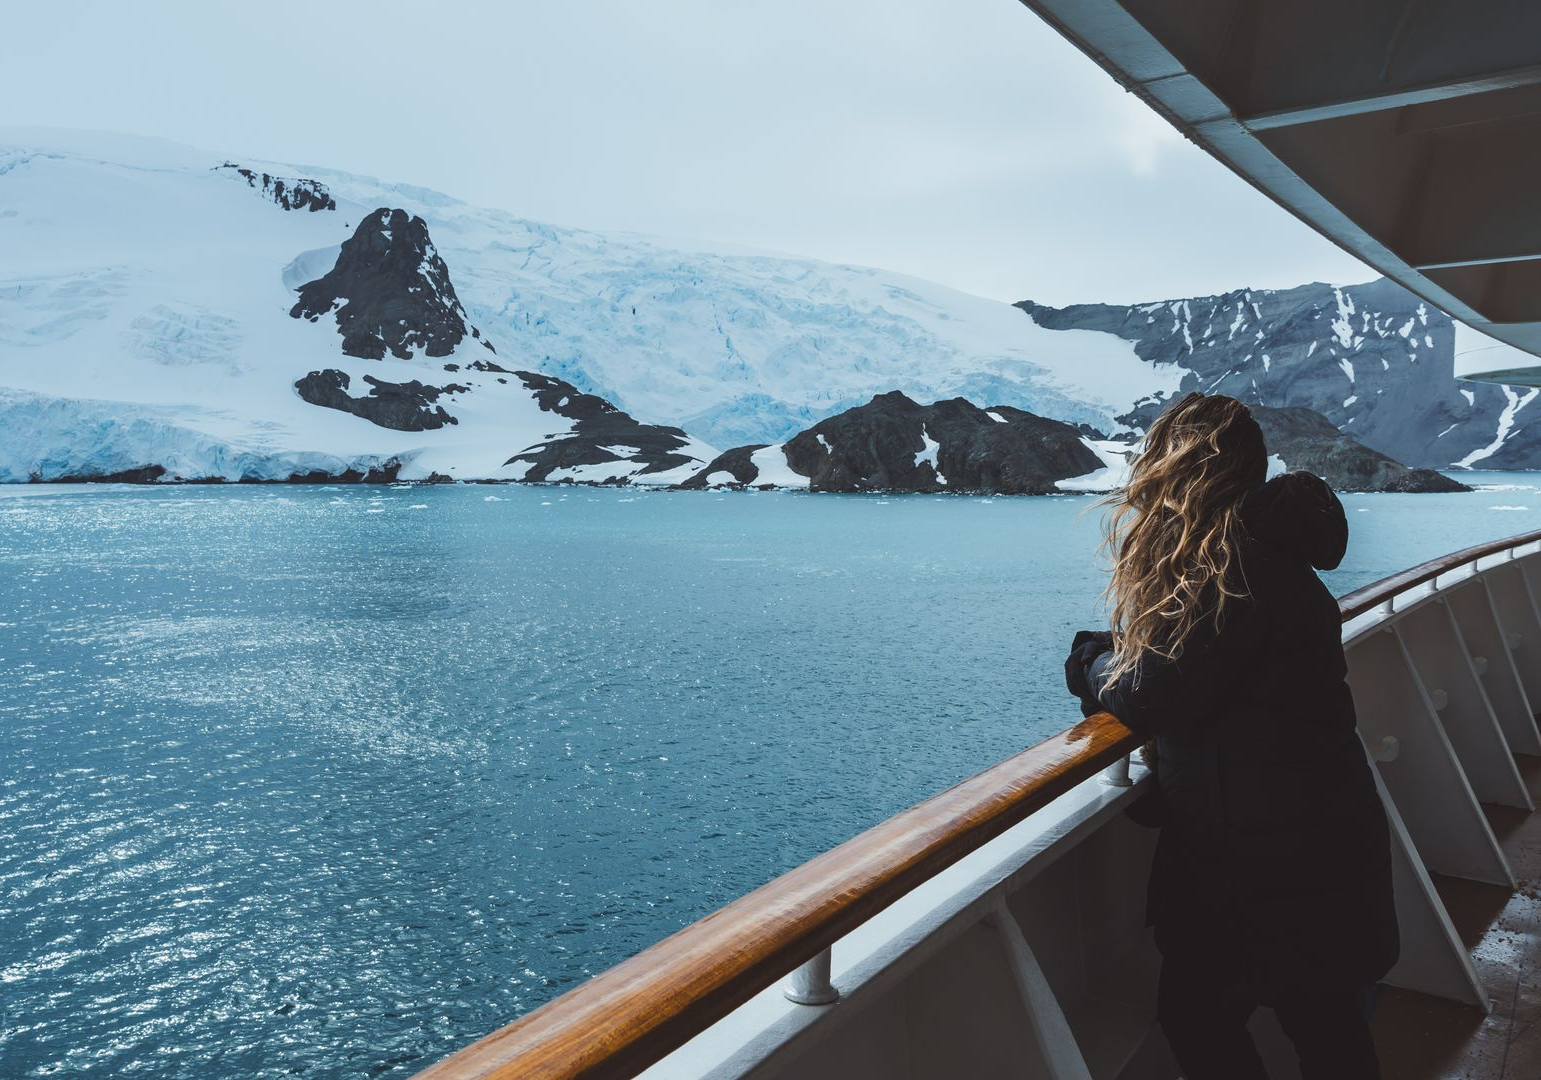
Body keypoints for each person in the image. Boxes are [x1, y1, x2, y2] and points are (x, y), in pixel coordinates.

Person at [1064, 392, 1398, 1080]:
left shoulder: (1226, 569)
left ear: (1180, 470)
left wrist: (1090, 659)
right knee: (1325, 1027)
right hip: (1314, 840)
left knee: (1200, 1020)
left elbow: (1148, 695)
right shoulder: (1264, 557)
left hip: (1262, 862)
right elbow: (1209, 674)